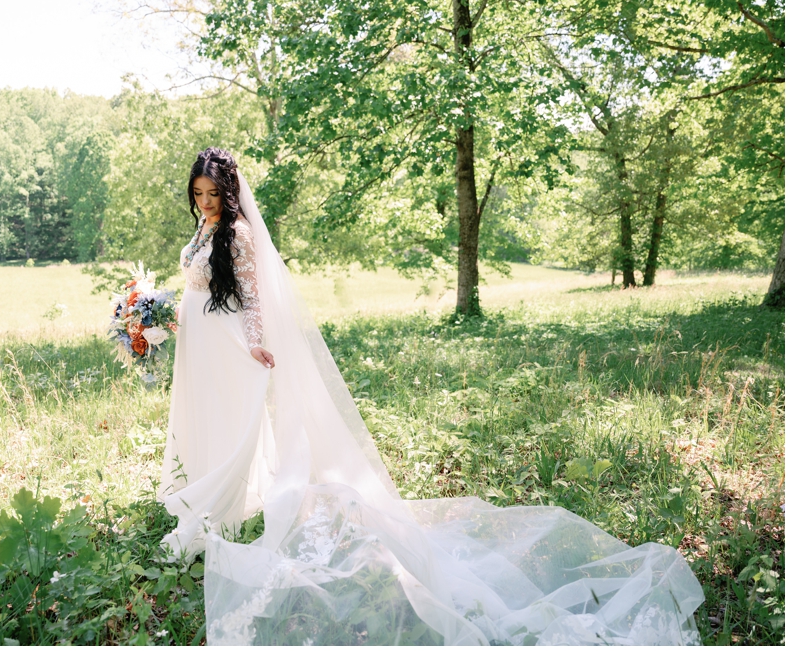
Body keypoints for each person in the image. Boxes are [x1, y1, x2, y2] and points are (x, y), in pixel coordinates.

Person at [159, 147, 704, 645]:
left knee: (235, 427)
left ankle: (214, 508)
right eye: (198, 194)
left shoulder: (238, 234)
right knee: (211, 421)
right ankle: (211, 502)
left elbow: (253, 297)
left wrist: (255, 343)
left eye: (213, 194)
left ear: (229, 194)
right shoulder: (203, 232)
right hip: (203, 346)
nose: (205, 202)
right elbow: (197, 284)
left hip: (234, 346)